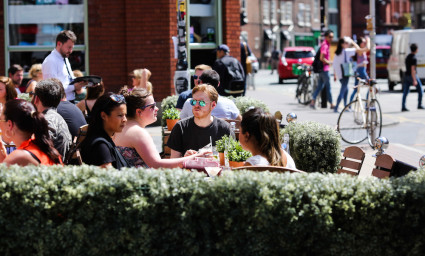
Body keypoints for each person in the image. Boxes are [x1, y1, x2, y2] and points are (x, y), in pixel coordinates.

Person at [114, 88, 208, 168]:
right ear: (139, 112)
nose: (157, 108)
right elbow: (157, 165)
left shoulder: (119, 129)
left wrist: (186, 157)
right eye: (152, 106)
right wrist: (195, 157)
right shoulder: (138, 133)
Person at [167, 84, 234, 158]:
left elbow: (231, 162)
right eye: (193, 102)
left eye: (202, 102)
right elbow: (173, 161)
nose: (196, 105)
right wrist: (185, 158)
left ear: (213, 105)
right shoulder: (180, 127)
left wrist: (216, 158)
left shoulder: (225, 129)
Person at [0, 99, 62, 166]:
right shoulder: (40, 145)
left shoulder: (19, 156)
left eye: (0, 120)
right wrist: (4, 160)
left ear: (9, 124)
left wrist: (5, 162)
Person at [80, 93, 129, 169]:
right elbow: (107, 178)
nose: (125, 119)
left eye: (125, 115)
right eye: (120, 115)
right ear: (103, 116)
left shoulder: (103, 140)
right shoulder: (101, 146)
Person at [32, 79, 72, 158]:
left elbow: (39, 149)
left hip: (49, 167)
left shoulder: (48, 120)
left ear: (36, 99)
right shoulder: (56, 117)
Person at [42, 30, 77, 102]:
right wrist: (74, 87)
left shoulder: (64, 58)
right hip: (59, 104)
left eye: (72, 48)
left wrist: (83, 83)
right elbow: (52, 88)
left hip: (68, 101)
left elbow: (68, 79)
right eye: (69, 47)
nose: (71, 51)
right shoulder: (51, 61)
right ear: (59, 44)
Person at [333, 37, 360, 113]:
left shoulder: (338, 52)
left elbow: (334, 65)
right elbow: (358, 49)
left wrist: (335, 75)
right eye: (346, 43)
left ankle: (345, 107)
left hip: (340, 74)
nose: (348, 44)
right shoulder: (346, 51)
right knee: (343, 90)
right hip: (345, 73)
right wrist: (352, 42)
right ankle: (336, 107)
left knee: (346, 90)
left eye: (348, 43)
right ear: (342, 44)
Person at [310, 30, 335, 109]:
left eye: (332, 37)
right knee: (328, 87)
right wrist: (329, 63)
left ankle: (312, 101)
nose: (331, 38)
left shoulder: (326, 44)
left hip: (322, 70)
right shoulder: (325, 45)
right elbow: (321, 58)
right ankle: (331, 103)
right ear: (326, 37)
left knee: (320, 86)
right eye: (330, 37)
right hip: (325, 69)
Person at [402, 43, 424, 111]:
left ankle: (403, 106)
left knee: (405, 91)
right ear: (416, 49)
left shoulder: (408, 56)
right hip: (412, 76)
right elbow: (413, 69)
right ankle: (419, 104)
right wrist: (414, 80)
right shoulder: (414, 58)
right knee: (420, 90)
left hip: (406, 75)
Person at [349, 36, 371, 103]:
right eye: (363, 42)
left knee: (356, 89)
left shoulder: (360, 50)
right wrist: (368, 40)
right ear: (360, 43)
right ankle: (366, 104)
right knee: (371, 85)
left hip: (361, 70)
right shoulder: (359, 50)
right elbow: (368, 48)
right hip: (361, 70)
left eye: (365, 42)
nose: (364, 43)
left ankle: (350, 104)